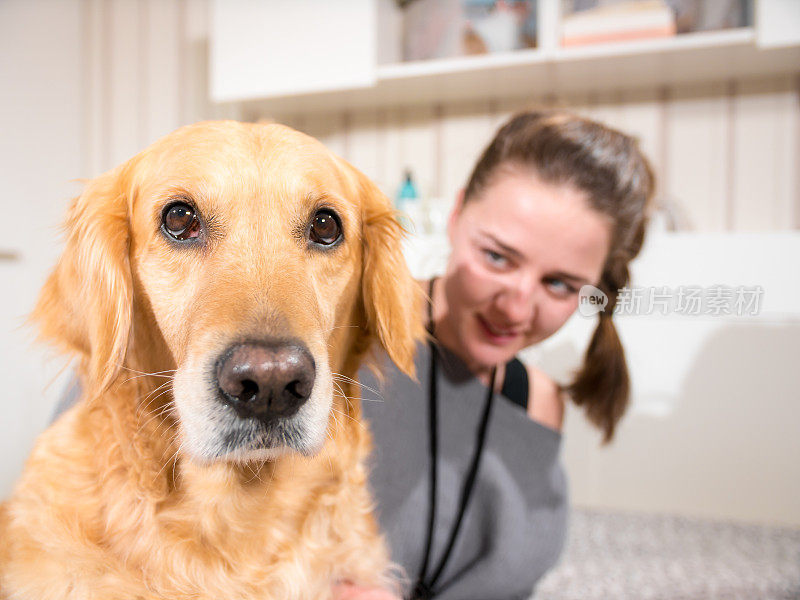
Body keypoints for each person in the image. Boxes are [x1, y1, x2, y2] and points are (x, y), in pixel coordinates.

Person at [337, 109, 655, 600]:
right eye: (498, 257)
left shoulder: (537, 405)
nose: (516, 308)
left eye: (559, 284)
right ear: (457, 215)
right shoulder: (346, 334)